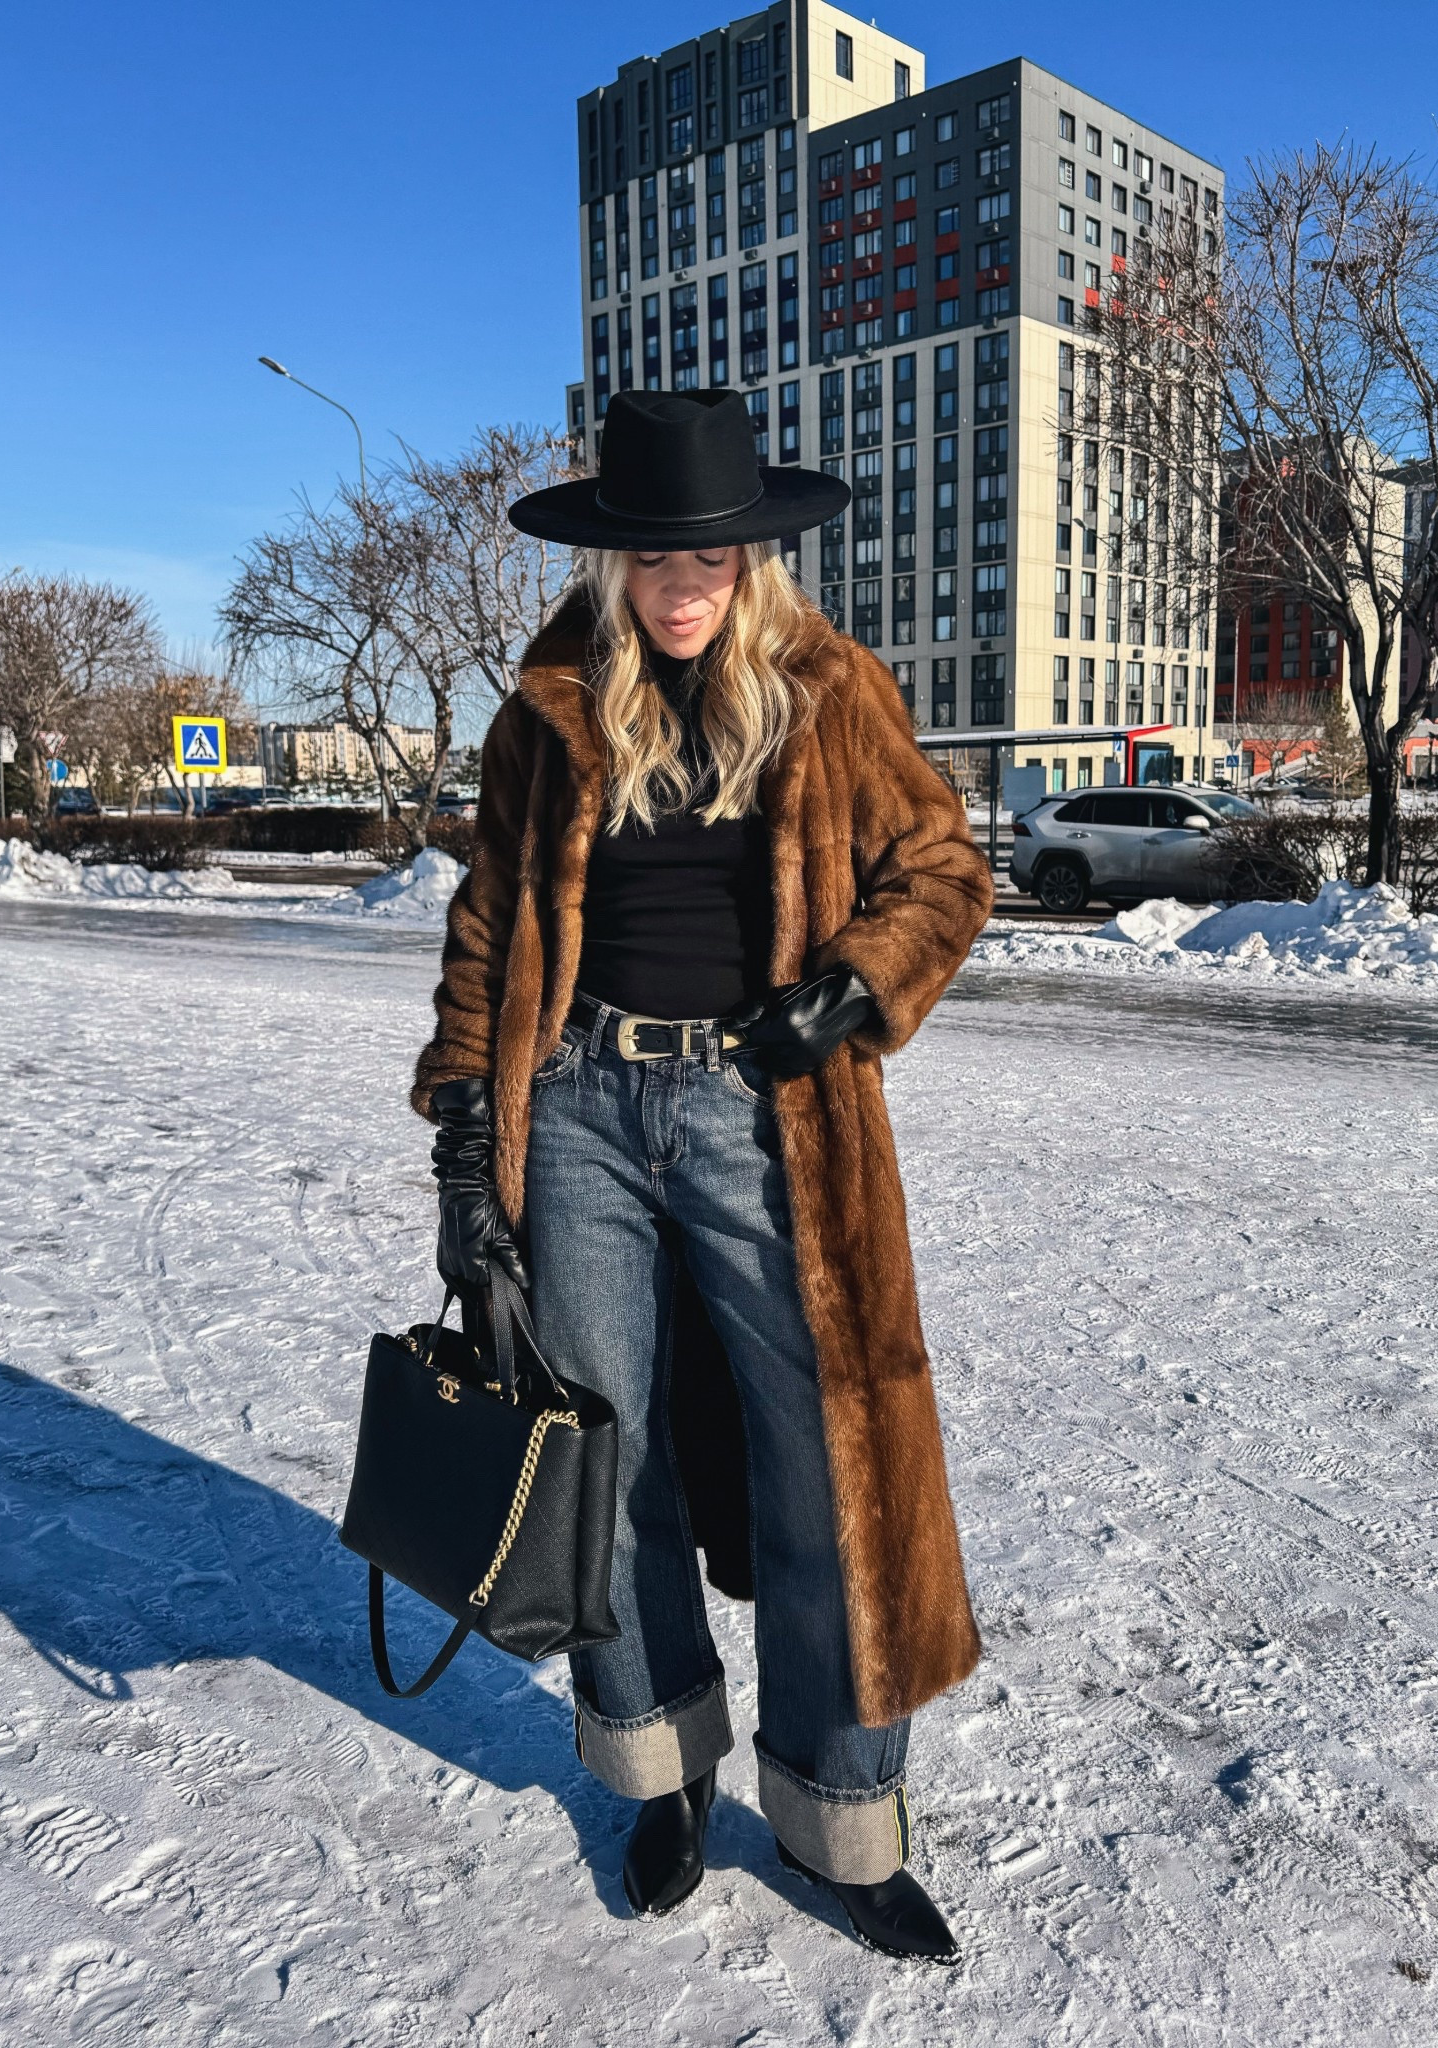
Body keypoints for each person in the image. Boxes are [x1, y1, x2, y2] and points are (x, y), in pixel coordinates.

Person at [411, 390, 993, 1961]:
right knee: (608, 1459)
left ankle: (841, 1821)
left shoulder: (825, 687)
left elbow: (945, 865)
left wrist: (855, 985)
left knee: (828, 1465)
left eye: (714, 553)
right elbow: (488, 930)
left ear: (755, 555)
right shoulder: (548, 706)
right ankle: (663, 1770)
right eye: (656, 554)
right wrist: (472, 1146)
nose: (685, 582)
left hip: (766, 1109)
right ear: (610, 559)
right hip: (580, 1104)